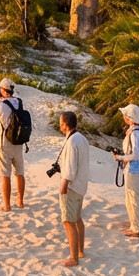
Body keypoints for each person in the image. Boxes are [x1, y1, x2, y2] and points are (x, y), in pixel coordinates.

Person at [56, 110, 89, 267]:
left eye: (60, 122)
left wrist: (63, 186)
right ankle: (80, 251)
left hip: (72, 186)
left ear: (65, 124)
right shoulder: (81, 138)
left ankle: (73, 257)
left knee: (68, 221)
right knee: (77, 219)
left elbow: (69, 169)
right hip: (81, 185)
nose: (59, 125)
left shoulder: (71, 142)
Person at [111, 104, 139, 238]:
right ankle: (136, 224)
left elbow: (136, 154)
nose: (124, 117)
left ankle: (137, 229)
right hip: (132, 170)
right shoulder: (136, 130)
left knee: (134, 199)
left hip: (134, 170)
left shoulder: (136, 133)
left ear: (129, 117)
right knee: (132, 198)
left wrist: (121, 157)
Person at [0, 77, 27, 211]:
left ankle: (6, 204)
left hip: (5, 143)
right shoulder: (19, 102)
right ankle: (20, 201)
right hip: (18, 141)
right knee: (20, 172)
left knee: (5, 174)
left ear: (2, 90)